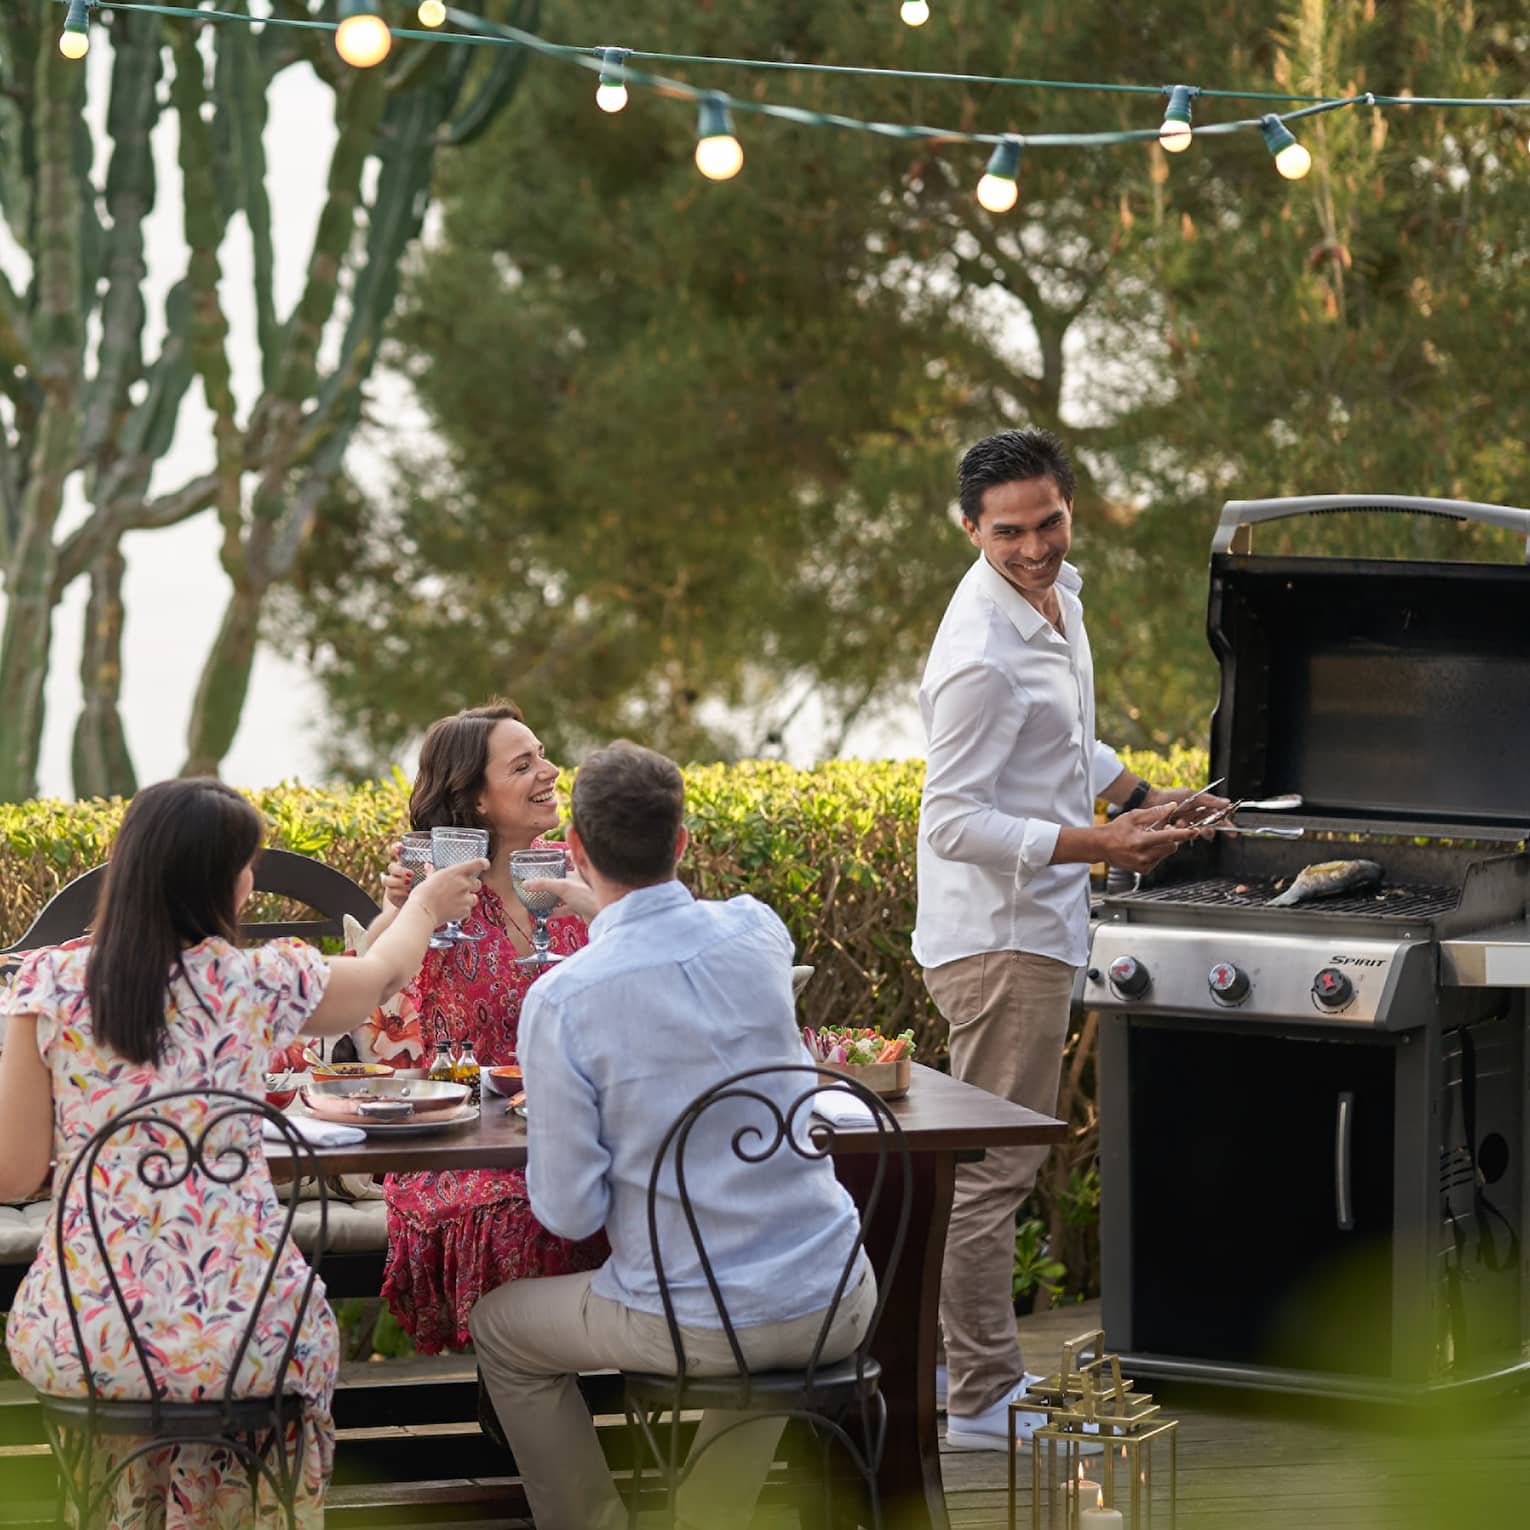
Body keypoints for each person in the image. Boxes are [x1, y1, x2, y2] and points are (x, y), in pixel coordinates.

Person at [0, 777, 484, 1528]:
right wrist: (423, 906)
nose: (253, 881)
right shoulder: (258, 979)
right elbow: (380, 979)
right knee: (276, 1367)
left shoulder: (52, 984)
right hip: (253, 1333)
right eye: (247, 865)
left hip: (92, 1333)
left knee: (122, 1400)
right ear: (220, 878)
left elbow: (16, 1174)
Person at [469, 742, 876, 1530]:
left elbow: (570, 1215)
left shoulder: (562, 1000)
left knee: (502, 1330)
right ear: (683, 841)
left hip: (703, 1323)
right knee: (745, 1332)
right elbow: (676, 941)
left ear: (577, 852)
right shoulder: (758, 931)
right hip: (836, 1295)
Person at [913, 428, 1219, 1451]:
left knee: (994, 1168)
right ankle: (981, 1404)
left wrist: (1140, 796)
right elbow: (951, 820)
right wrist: (1099, 842)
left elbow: (1061, 737)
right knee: (992, 1173)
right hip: (999, 939)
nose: (1036, 546)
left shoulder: (1057, 599)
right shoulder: (977, 658)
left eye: (1050, 522)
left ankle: (977, 1386)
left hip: (1037, 925)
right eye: (1010, 533)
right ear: (970, 530)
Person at [369, 702, 608, 1353]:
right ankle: (524, 1396)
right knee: (518, 1212)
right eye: (523, 764)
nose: (550, 772)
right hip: (463, 1142)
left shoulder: (580, 872)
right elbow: (375, 1002)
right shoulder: (435, 892)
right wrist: (403, 910)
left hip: (575, 1127)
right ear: (475, 800)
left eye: (544, 756)